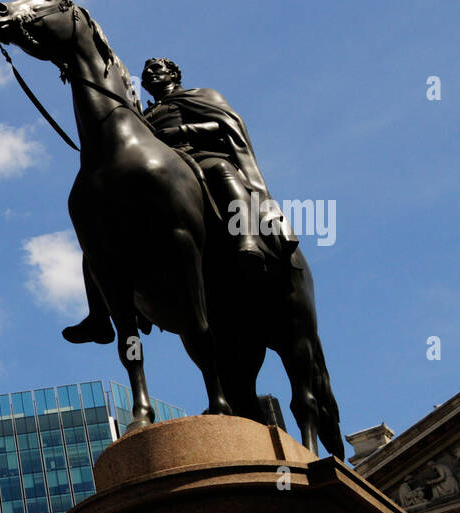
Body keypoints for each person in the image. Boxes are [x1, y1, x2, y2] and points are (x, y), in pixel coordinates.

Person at [62, 57, 299, 344]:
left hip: (198, 157)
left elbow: (226, 126)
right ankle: (98, 315)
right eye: (146, 71)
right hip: (161, 176)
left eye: (156, 68)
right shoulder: (141, 115)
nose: (149, 73)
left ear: (173, 73)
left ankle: (246, 237)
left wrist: (183, 131)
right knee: (100, 237)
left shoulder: (201, 96)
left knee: (222, 170)